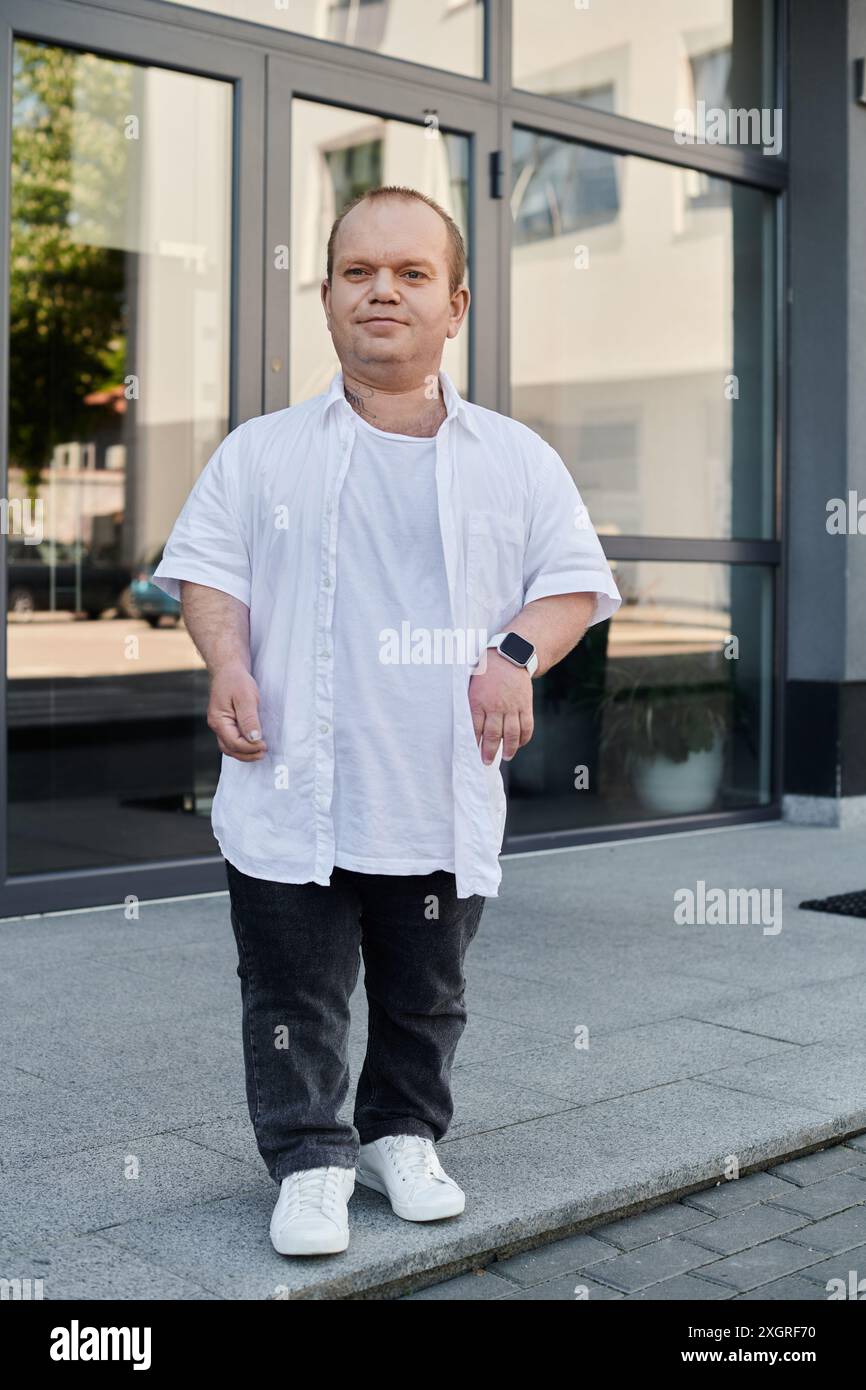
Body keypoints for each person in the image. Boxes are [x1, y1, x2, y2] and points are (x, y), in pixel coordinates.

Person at [152, 185, 621, 1257]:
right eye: (359, 271)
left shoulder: (513, 457)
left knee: (426, 997)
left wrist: (512, 652)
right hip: (291, 782)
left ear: (453, 305)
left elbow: (569, 583)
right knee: (292, 995)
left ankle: (400, 1134)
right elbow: (209, 574)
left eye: (411, 274)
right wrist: (225, 657)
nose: (383, 291)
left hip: (435, 787)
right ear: (325, 297)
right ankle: (310, 1160)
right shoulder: (261, 452)